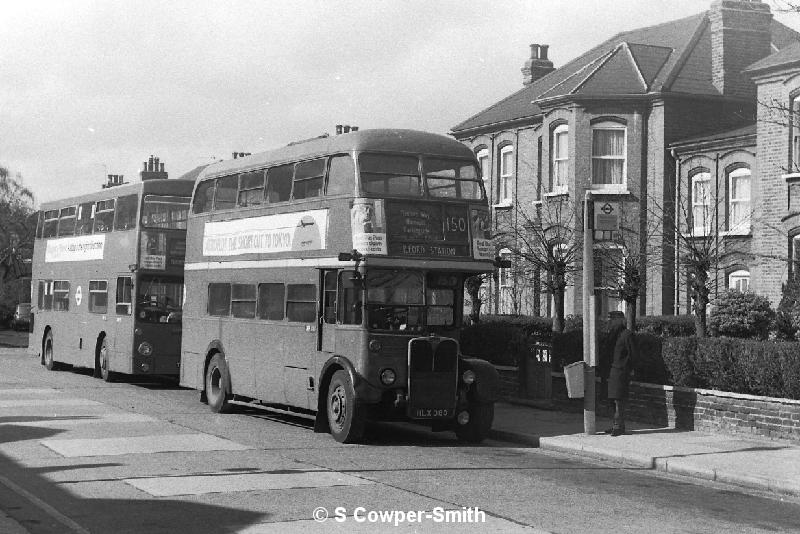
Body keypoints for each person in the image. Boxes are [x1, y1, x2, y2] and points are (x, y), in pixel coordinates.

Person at [606, 311, 636, 436]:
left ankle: (619, 426)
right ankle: (615, 424)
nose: (610, 322)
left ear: (620, 320)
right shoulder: (613, 334)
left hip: (621, 371)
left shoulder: (627, 334)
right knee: (612, 400)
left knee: (619, 400)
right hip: (611, 371)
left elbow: (633, 353)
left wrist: (630, 369)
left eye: (613, 319)